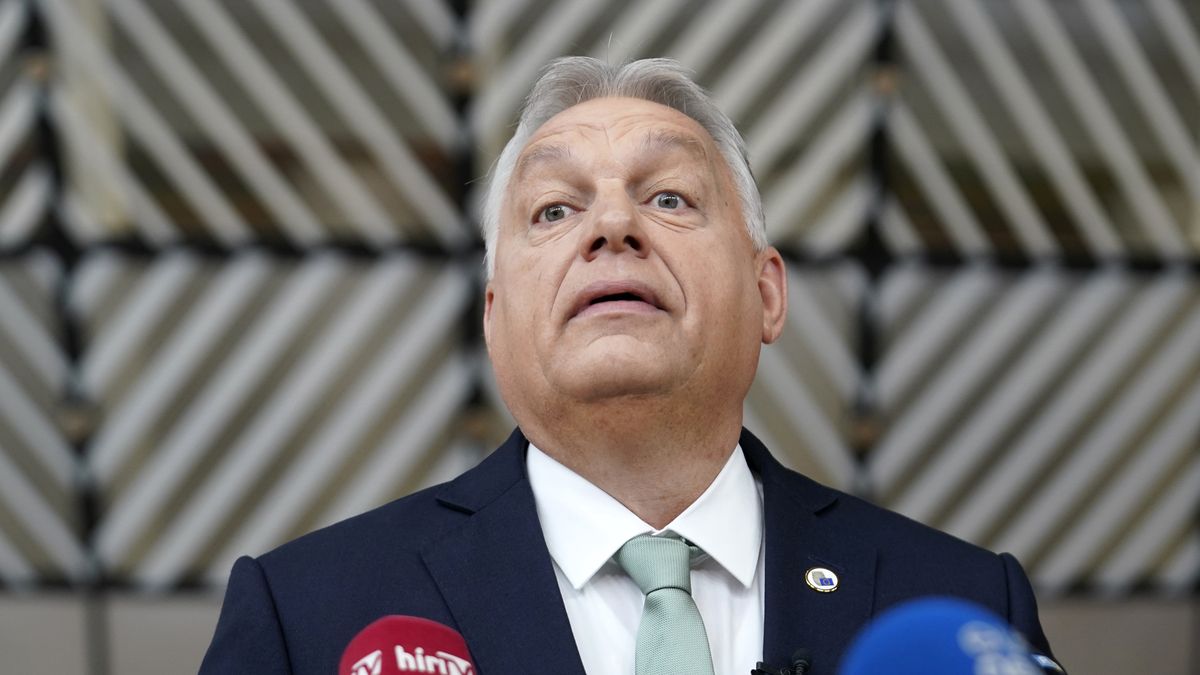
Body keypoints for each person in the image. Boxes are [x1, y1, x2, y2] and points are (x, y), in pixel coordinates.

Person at [200, 57, 1055, 675]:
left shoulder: (963, 611)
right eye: (555, 208)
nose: (612, 226)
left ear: (767, 293)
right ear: (494, 319)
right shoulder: (307, 617)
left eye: (670, 197)